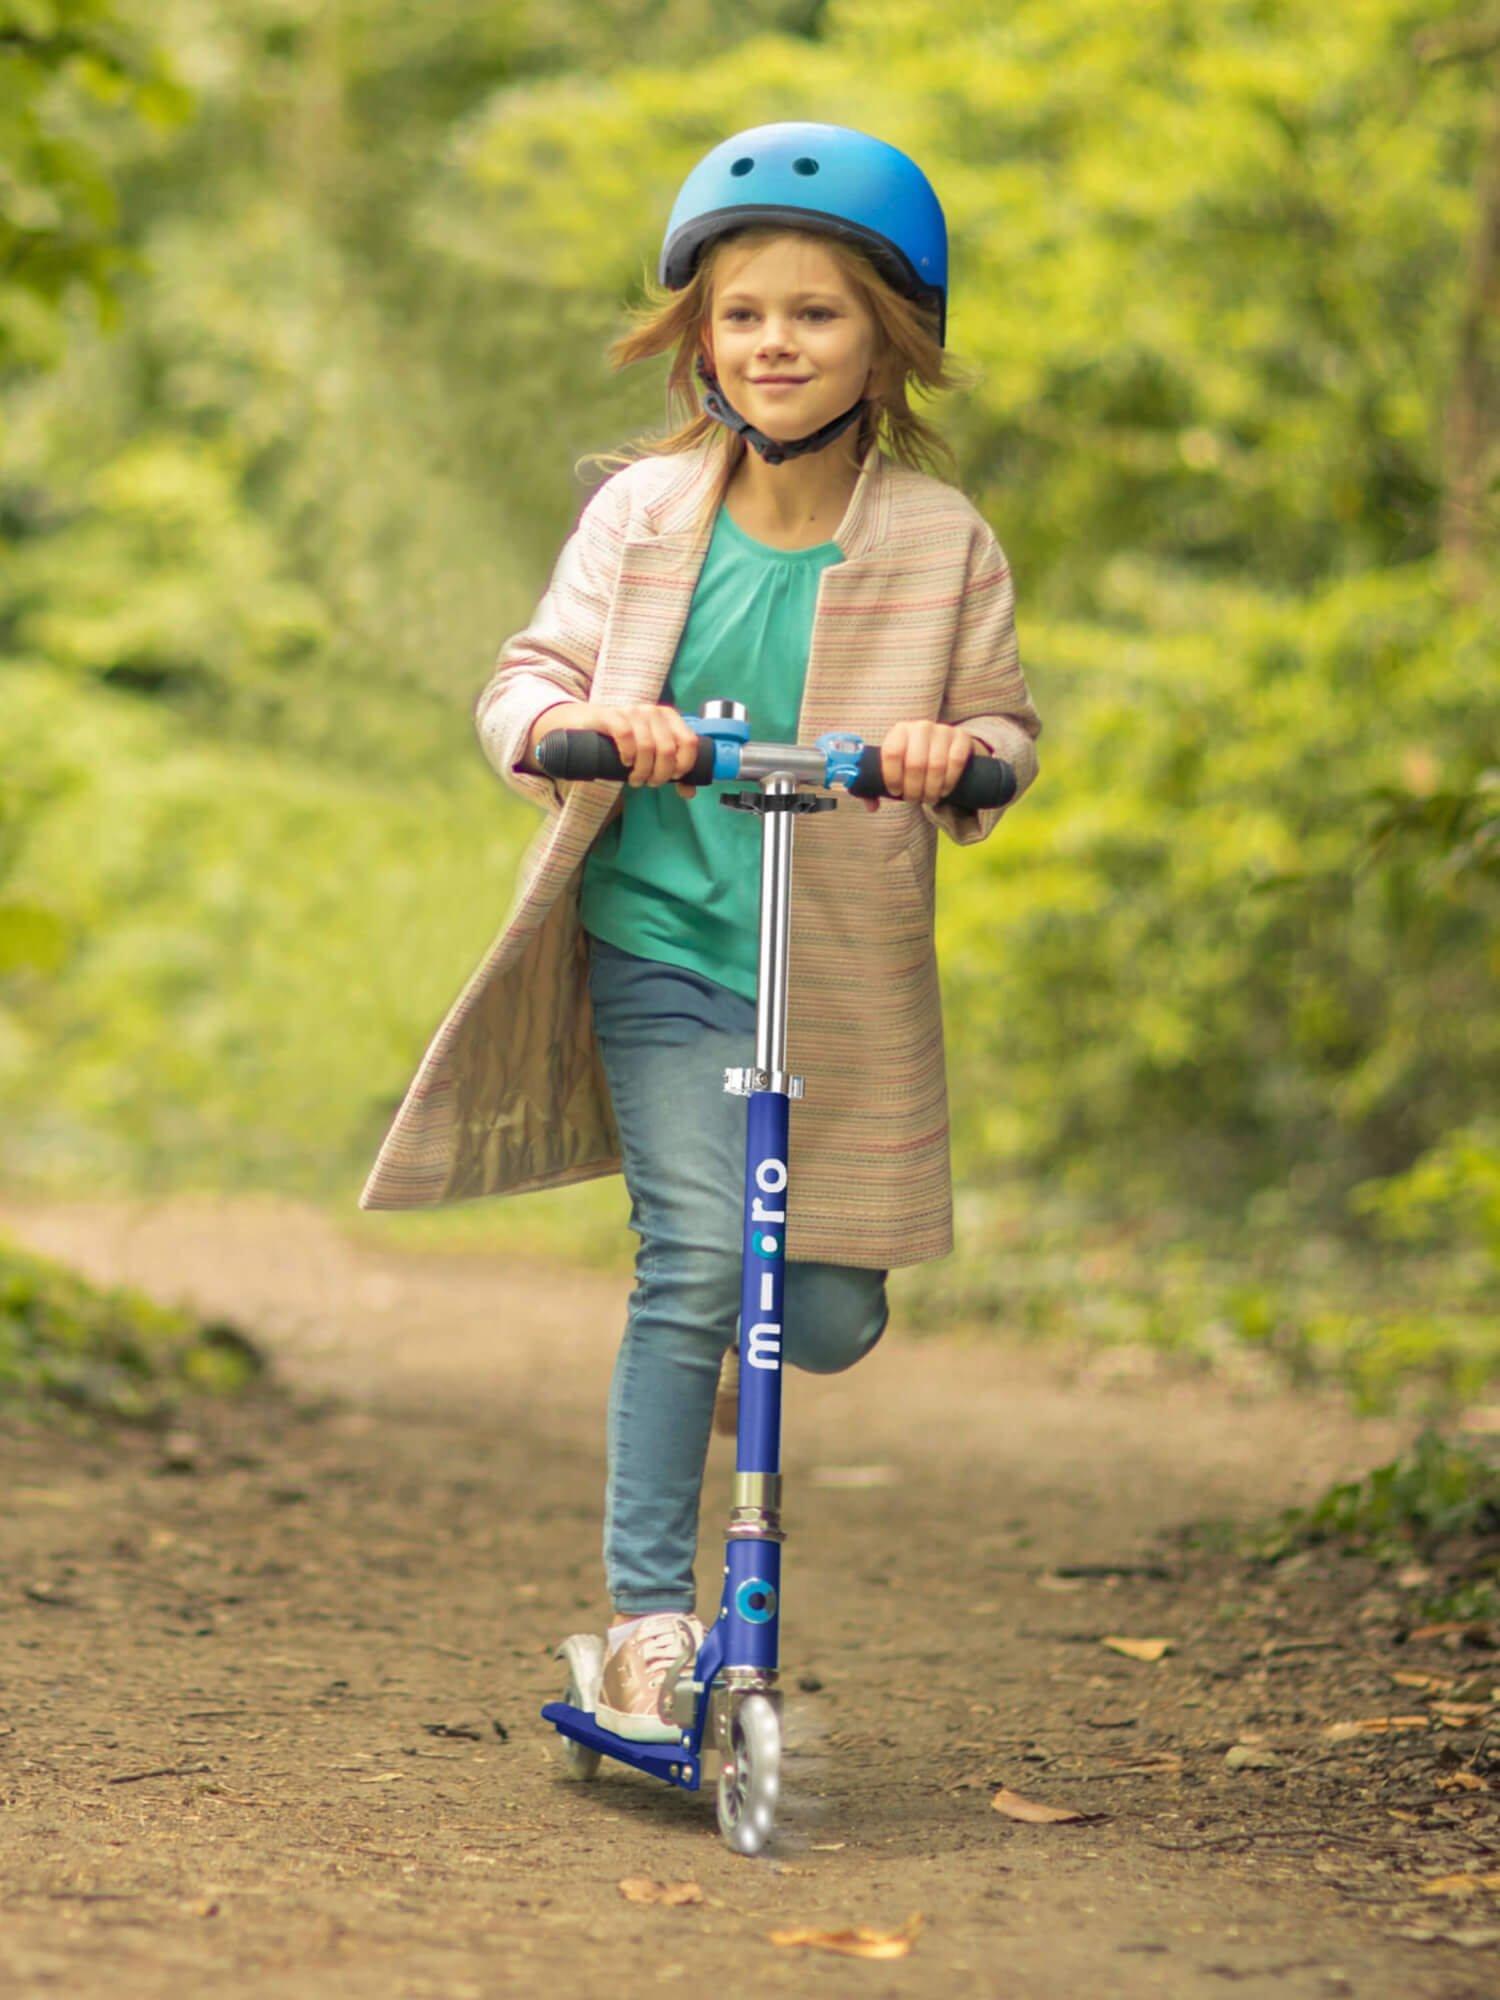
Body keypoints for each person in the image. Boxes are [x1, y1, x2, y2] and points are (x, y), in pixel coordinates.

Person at [359, 122, 1041, 1743]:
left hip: (841, 971)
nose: (774, 343)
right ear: (698, 336)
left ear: (889, 339)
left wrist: (955, 753)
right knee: (697, 1266)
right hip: (664, 942)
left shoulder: (940, 540)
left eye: (815, 312)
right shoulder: (647, 516)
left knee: (823, 1316)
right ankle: (649, 1626)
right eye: (743, 314)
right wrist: (580, 729)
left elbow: (1004, 728)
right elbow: (527, 678)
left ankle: (718, 1368)